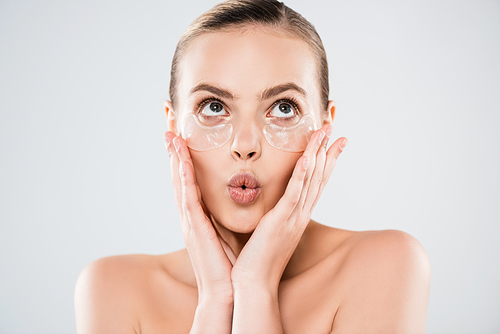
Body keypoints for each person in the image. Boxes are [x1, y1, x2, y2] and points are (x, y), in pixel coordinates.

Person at [74, 0, 431, 332]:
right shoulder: (112, 288)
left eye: (283, 108)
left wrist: (255, 287)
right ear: (173, 126)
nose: (245, 146)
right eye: (213, 107)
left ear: (324, 125)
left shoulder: (384, 267)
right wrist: (216, 297)